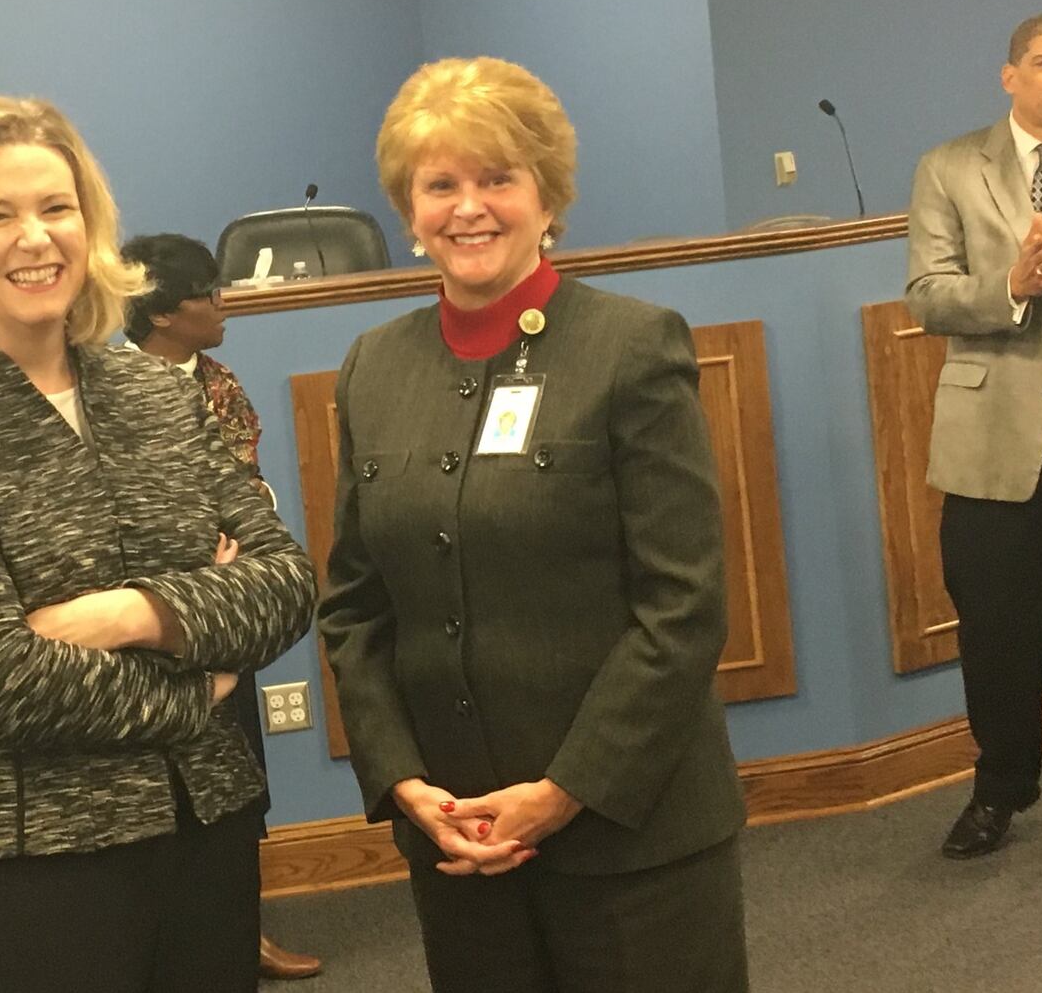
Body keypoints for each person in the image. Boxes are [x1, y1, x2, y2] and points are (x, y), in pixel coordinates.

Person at [0, 96, 316, 992]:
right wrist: (198, 683)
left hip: (201, 839)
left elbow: (284, 583)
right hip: (17, 870)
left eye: (57, 208)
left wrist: (133, 613)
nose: (35, 237)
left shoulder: (158, 393)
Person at [318, 56, 748, 992]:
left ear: (548, 197)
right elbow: (353, 607)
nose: (468, 207)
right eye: (441, 185)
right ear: (409, 210)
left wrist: (562, 794)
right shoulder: (372, 368)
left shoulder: (632, 346)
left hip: (632, 837)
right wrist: (403, 784)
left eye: (497, 179)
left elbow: (684, 605)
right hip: (457, 837)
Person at [906, 11, 1042, 875]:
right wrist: (1013, 288)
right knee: (994, 628)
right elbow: (927, 294)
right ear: (1008, 75)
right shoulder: (949, 166)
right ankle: (1000, 785)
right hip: (992, 441)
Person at [120, 232, 323, 981]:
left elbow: (247, 486)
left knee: (241, 769)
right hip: (158, 615)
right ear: (166, 313)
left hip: (231, 598)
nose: (223, 304)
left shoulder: (220, 381)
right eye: (209, 294)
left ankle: (245, 927)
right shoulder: (109, 388)